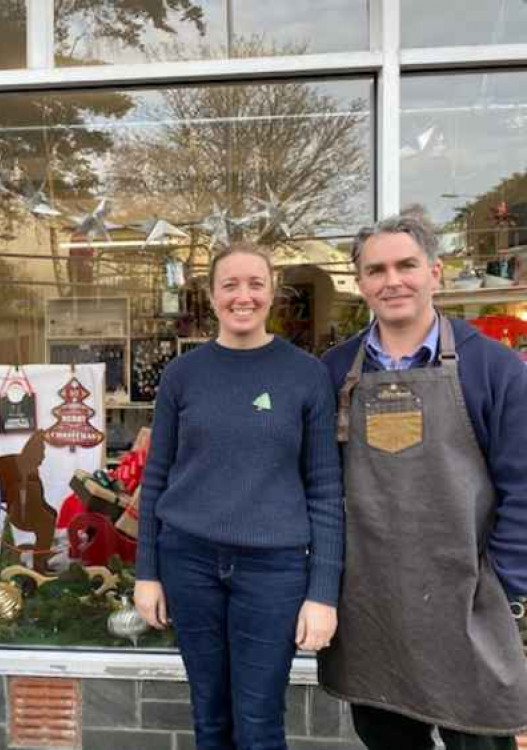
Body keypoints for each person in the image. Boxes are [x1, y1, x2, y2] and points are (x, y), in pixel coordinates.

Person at [318, 214, 527, 749]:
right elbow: (316, 486)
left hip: (467, 602)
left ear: (435, 270)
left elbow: (523, 485)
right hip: (372, 606)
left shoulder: (495, 368)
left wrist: (503, 580)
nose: (393, 281)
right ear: (360, 283)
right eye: (376, 270)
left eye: (406, 265)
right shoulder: (334, 372)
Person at [135, 243, 344, 750]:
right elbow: (156, 476)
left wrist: (323, 593)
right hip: (189, 561)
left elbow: (325, 489)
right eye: (230, 285)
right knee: (209, 718)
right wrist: (147, 573)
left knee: (259, 722)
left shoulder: (306, 375)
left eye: (255, 284)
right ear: (212, 296)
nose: (243, 296)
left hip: (272, 571)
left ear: (273, 292)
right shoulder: (183, 375)